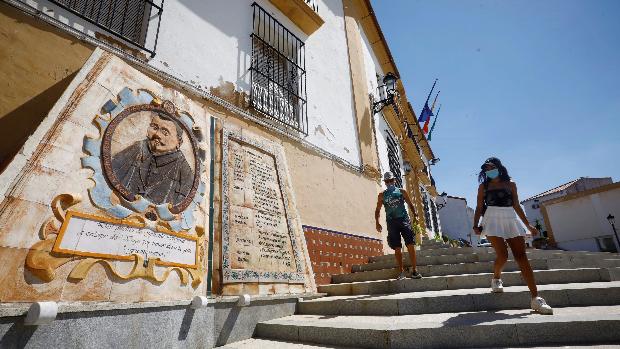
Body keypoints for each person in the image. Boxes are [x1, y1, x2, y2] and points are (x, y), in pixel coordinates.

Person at [473, 157, 553, 315]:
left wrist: (528, 225)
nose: (489, 171)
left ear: (499, 167)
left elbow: (516, 205)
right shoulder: (484, 186)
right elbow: (479, 206)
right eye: (486, 169)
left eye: (491, 167)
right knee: (502, 255)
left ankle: (536, 298)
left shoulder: (511, 184)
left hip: (510, 217)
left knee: (521, 256)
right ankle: (496, 278)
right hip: (491, 219)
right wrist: (476, 225)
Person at [112, 112, 193, 206]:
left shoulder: (185, 172)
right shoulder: (137, 148)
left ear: (179, 142)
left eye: (165, 132)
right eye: (154, 127)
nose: (157, 134)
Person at [375, 171, 422, 280]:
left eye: (391, 180)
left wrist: (415, 216)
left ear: (394, 180)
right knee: (397, 247)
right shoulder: (382, 195)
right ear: (385, 182)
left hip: (404, 220)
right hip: (392, 222)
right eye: (387, 181)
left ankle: (415, 270)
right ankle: (401, 272)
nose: (389, 183)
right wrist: (377, 222)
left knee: (410, 244)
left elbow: (410, 204)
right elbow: (377, 210)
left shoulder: (402, 191)